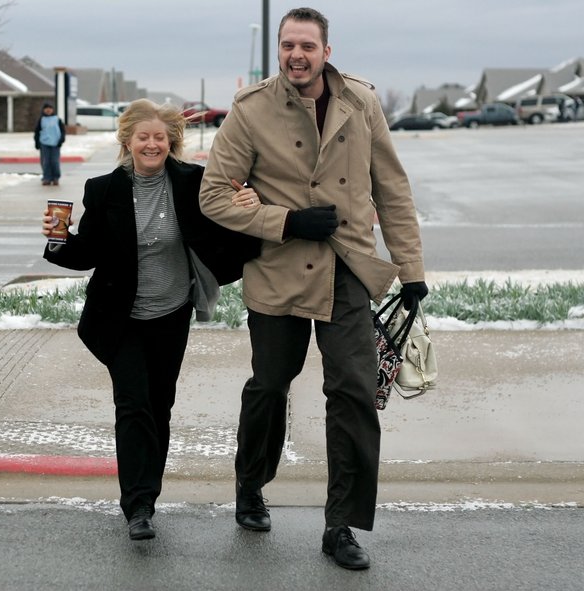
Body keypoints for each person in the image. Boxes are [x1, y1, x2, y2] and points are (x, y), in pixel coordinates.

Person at [199, 7, 428, 570]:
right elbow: (213, 195)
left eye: (306, 45)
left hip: (347, 269)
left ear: (327, 50)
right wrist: (285, 222)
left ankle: (341, 524)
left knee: (353, 392)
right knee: (270, 386)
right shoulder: (251, 111)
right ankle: (250, 483)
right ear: (278, 51)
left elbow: (391, 188)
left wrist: (411, 269)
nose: (296, 55)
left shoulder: (361, 102)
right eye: (287, 46)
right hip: (277, 271)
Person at [41, 99, 259, 542]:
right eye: (143, 137)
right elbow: (89, 252)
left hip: (171, 313)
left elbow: (224, 230)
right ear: (128, 141)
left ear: (171, 142)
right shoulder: (103, 190)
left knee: (159, 405)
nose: (152, 143)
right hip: (120, 318)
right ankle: (138, 504)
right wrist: (57, 238)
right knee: (134, 405)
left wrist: (248, 207)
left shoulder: (191, 182)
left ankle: (148, 494)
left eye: (160, 137)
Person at [34, 102, 65, 186]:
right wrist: (36, 143)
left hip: (55, 143)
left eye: (50, 108)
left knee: (55, 161)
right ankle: (47, 178)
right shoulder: (41, 120)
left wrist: (61, 140)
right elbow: (37, 132)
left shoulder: (57, 119)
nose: (48, 110)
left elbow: (62, 131)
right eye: (46, 108)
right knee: (45, 162)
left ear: (53, 109)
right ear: (43, 110)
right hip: (44, 143)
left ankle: (56, 178)